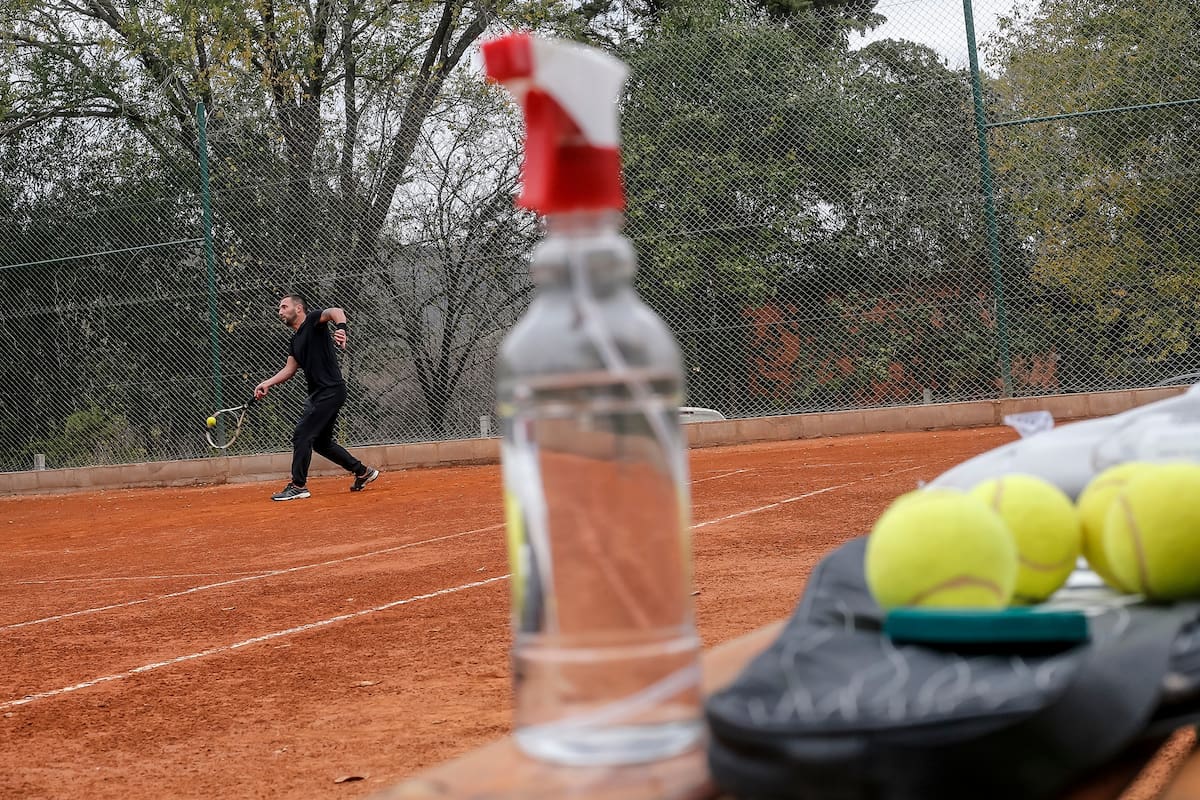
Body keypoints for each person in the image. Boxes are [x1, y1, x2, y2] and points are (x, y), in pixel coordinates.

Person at [254, 294, 379, 501]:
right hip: (319, 394)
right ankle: (362, 471)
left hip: (330, 390)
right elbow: (290, 369)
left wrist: (341, 328)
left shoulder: (313, 321)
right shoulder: (295, 340)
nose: (280, 311)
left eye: (284, 307)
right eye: (279, 308)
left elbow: (335, 311)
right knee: (321, 442)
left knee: (302, 434)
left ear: (299, 309)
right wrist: (267, 383)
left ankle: (298, 485)